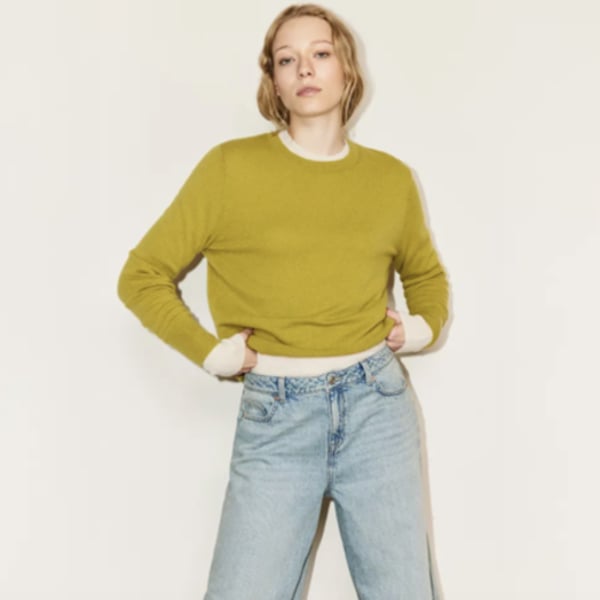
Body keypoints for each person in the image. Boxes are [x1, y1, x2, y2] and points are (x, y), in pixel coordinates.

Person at [118, 3, 448, 599]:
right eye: (286, 59)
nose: (305, 69)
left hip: (377, 407)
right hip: (276, 414)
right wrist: (208, 352)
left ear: (347, 71)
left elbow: (425, 274)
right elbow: (141, 275)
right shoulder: (230, 169)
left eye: (321, 53)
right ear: (273, 81)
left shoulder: (391, 179)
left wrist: (420, 328)